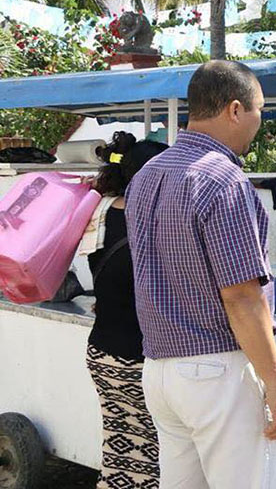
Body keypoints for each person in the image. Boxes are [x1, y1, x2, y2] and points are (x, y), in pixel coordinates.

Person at [125, 60, 276, 488]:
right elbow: (241, 299)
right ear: (235, 110)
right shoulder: (224, 180)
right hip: (217, 369)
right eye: (259, 110)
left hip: (162, 370)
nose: (260, 122)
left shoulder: (147, 175)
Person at [84, 131, 167, 488]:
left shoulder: (100, 212)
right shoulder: (154, 220)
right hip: (141, 359)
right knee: (159, 455)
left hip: (102, 352)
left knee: (119, 452)